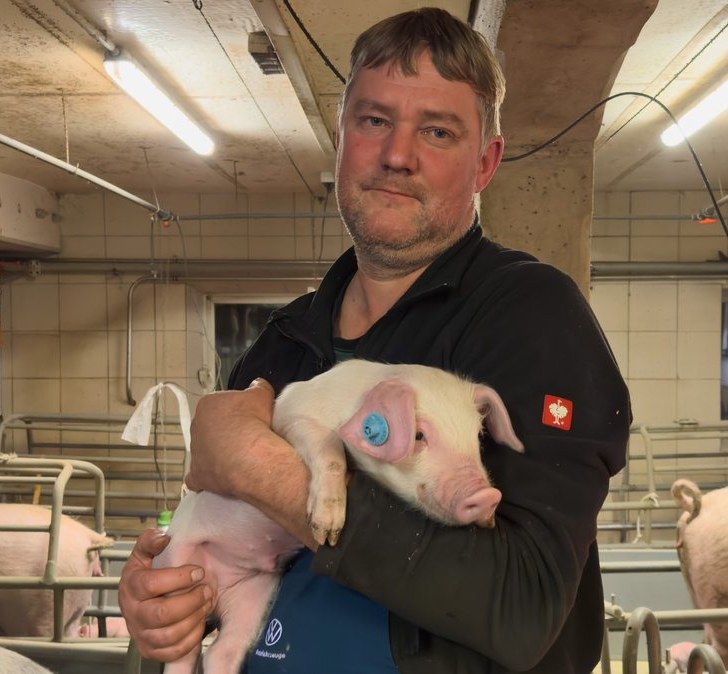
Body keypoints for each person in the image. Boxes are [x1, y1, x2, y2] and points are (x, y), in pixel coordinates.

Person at [118, 7, 630, 673]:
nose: (397, 156)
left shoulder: (531, 319)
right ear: (341, 138)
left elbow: (522, 609)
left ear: (485, 163)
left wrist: (258, 467)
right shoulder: (283, 344)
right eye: (374, 120)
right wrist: (169, 600)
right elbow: (228, 551)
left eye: (438, 131)